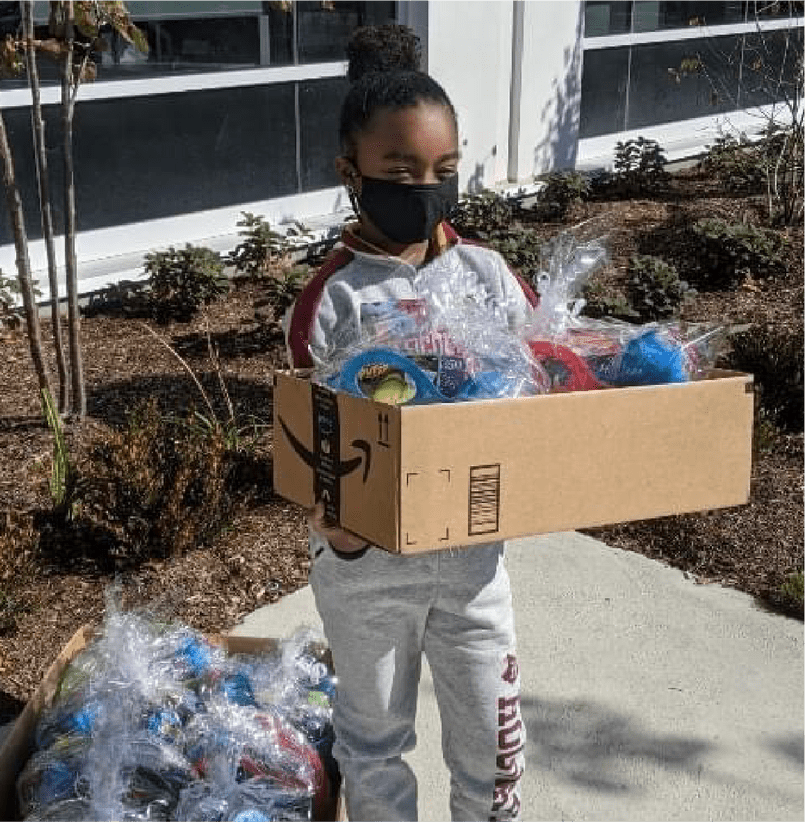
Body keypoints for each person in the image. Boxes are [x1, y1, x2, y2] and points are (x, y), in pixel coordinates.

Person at [283, 23, 537, 822]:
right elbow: (305, 432)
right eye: (400, 171)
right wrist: (343, 529)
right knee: (374, 741)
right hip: (367, 570)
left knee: (493, 749)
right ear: (350, 173)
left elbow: (545, 389)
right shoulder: (334, 298)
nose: (426, 188)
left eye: (445, 170)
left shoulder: (489, 276)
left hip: (473, 561)